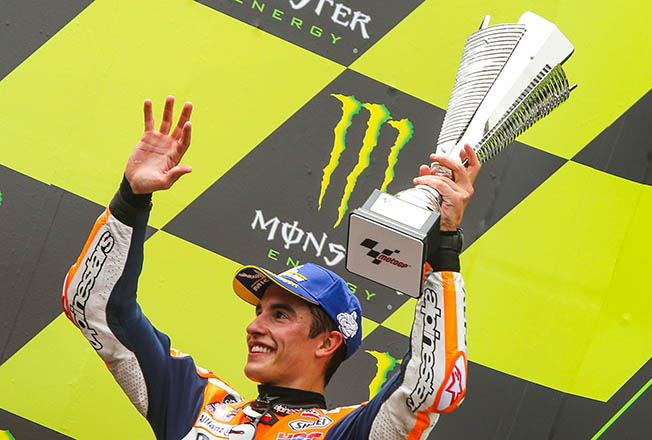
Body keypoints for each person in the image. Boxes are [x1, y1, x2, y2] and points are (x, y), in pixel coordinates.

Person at [62, 96, 481, 440]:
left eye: (280, 315)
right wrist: (131, 200)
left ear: (327, 342)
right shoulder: (197, 406)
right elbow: (94, 308)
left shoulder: (345, 432)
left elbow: (428, 389)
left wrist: (444, 246)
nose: (254, 326)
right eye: (259, 311)